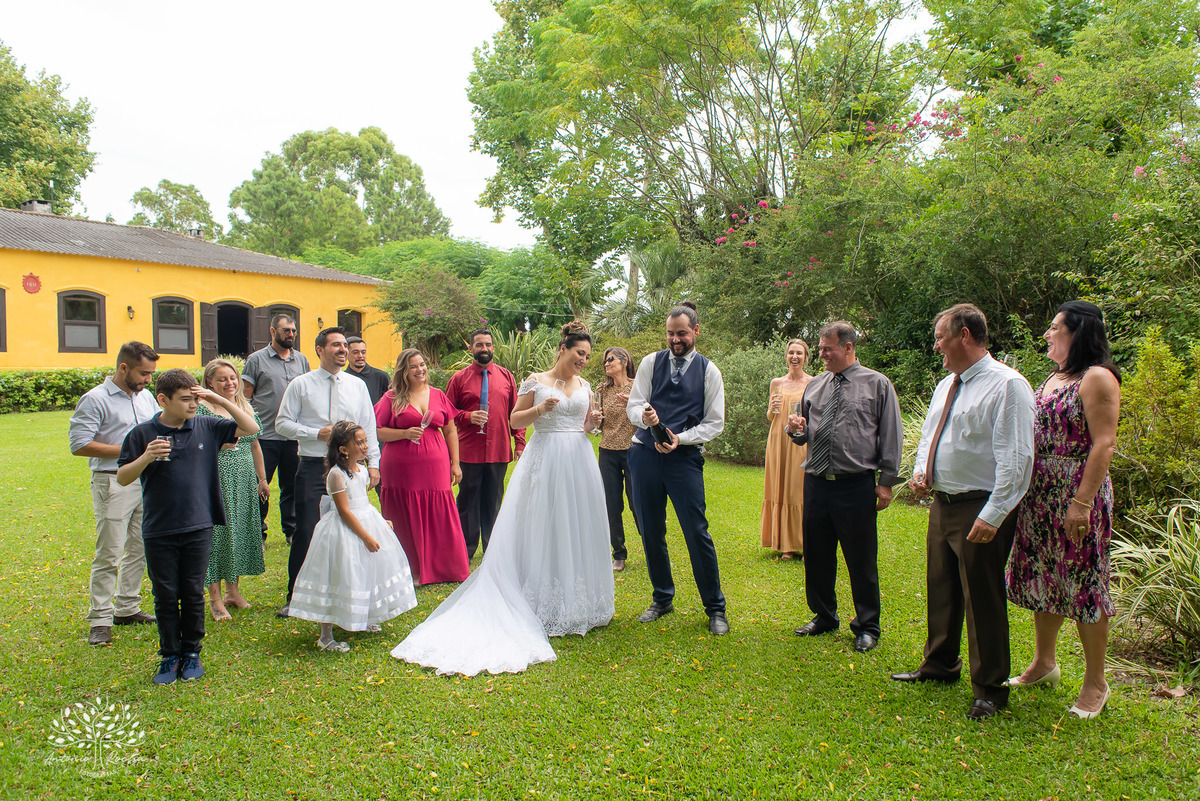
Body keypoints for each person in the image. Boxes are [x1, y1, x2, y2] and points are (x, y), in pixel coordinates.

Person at [391, 321, 614, 676]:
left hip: (578, 460)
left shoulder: (585, 385)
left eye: (587, 356)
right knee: (543, 522)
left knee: (576, 523)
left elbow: (586, 425)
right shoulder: (534, 381)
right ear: (563, 349)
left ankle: (578, 601)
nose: (583, 361)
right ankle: (537, 594)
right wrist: (540, 411)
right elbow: (513, 419)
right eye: (578, 354)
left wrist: (593, 423)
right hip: (546, 458)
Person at [890, 304, 1035, 720]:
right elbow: (932, 435)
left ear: (965, 335)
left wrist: (994, 514)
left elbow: (1017, 458)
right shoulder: (945, 385)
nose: (936, 346)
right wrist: (921, 473)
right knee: (942, 587)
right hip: (944, 501)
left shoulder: (1007, 386)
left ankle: (989, 688)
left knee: (982, 597)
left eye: (941, 338)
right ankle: (939, 665)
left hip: (981, 504)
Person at [1006, 301, 1121, 720]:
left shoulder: (1097, 377)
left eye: (1054, 327)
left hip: (1077, 492)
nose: (1047, 334)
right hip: (1040, 494)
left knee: (1085, 582)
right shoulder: (1054, 378)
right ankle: (1044, 663)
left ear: (1078, 332)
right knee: (1045, 576)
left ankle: (1096, 683)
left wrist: (1081, 503)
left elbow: (1103, 443)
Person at [117, 369, 259, 684]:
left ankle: (192, 653)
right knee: (165, 593)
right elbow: (123, 476)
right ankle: (169, 656)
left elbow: (251, 427)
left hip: (199, 525)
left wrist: (218, 398)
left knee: (193, 592)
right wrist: (146, 458)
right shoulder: (142, 434)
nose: (193, 405)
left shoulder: (207, 426)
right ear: (163, 400)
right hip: (160, 528)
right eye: (186, 400)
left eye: (196, 398)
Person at [787, 322, 902, 653]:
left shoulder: (877, 385)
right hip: (816, 482)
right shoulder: (816, 385)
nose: (821, 354)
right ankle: (824, 616)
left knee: (860, 558)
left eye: (827, 349)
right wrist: (795, 429)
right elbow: (802, 431)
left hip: (855, 485)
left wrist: (885, 483)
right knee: (817, 555)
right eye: (820, 348)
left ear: (848, 348)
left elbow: (891, 435)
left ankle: (867, 625)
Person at [626, 301, 730, 636]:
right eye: (670, 333)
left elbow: (715, 423)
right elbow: (634, 403)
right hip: (644, 456)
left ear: (696, 331)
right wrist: (643, 416)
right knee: (650, 529)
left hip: (683, 460)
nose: (675, 339)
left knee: (696, 531)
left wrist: (680, 438)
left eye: (682, 333)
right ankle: (662, 597)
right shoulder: (649, 362)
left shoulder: (709, 371)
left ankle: (715, 608)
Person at [274, 327, 381, 619]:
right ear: (320, 350)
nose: (343, 350)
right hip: (313, 466)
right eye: (336, 345)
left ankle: (348, 595)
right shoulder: (301, 384)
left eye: (345, 345)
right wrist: (314, 433)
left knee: (350, 532)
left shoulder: (357, 386)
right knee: (307, 530)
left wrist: (373, 464)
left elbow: (368, 426)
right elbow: (281, 423)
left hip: (350, 470)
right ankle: (295, 596)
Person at [288, 421, 418, 651]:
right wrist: (366, 537)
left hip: (366, 518)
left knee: (366, 570)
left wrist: (380, 520)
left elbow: (363, 501)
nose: (365, 446)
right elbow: (344, 511)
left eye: (365, 441)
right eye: (359, 443)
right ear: (343, 449)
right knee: (338, 575)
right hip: (345, 529)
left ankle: (365, 616)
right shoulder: (337, 475)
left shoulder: (362, 470)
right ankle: (325, 636)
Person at [69, 342, 161, 646]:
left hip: (146, 479)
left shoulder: (146, 397)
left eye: (151, 374)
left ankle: (127, 607)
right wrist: (133, 450)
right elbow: (80, 444)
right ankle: (99, 618)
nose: (149, 379)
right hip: (112, 481)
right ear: (124, 368)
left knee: (139, 547)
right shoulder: (95, 399)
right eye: (144, 373)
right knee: (109, 550)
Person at [375, 348, 469, 585]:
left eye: (422, 365)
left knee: (439, 510)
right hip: (400, 466)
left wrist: (455, 464)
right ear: (404, 372)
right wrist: (404, 432)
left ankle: (444, 567)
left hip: (435, 463)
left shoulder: (437, 394)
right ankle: (411, 568)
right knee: (404, 514)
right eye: (414, 366)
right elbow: (376, 430)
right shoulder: (391, 398)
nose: (420, 370)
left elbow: (450, 430)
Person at [196, 358, 268, 620]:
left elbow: (254, 444)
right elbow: (194, 445)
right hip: (216, 478)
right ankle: (214, 598)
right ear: (209, 382)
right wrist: (215, 447)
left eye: (233, 378)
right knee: (218, 534)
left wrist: (261, 478)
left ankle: (233, 590)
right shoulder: (202, 410)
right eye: (222, 379)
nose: (230, 383)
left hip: (244, 477)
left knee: (238, 530)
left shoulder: (243, 406)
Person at [445, 329, 527, 558]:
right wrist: (467, 416)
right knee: (468, 502)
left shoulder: (506, 377)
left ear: (493, 348)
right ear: (470, 348)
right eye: (479, 345)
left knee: (493, 501)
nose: (484, 349)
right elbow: (447, 414)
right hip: (468, 451)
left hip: (498, 450)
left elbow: (516, 412)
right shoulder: (459, 379)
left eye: (488, 345)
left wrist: (519, 442)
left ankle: (493, 549)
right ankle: (466, 550)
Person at [243, 314, 310, 545]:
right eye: (286, 330)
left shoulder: (301, 360)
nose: (290, 334)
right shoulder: (256, 360)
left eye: (293, 331)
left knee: (291, 486)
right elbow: (246, 397)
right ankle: (258, 533)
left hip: (293, 435)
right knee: (260, 485)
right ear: (273, 332)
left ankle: (290, 530)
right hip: (265, 436)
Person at [762, 338, 812, 559]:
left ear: (806, 358)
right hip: (777, 440)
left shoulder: (814, 382)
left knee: (797, 487)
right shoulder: (777, 383)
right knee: (778, 485)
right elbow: (770, 416)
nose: (795, 357)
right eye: (791, 352)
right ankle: (785, 546)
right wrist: (771, 409)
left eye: (799, 353)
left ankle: (803, 541)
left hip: (799, 440)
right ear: (786, 356)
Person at [595, 346, 640, 571]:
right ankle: (619, 554)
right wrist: (595, 419)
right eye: (605, 361)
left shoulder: (639, 387)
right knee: (612, 505)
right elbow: (598, 423)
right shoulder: (602, 390)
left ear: (624, 361)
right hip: (608, 452)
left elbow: (647, 416)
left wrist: (634, 402)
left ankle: (651, 547)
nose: (606, 363)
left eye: (610, 359)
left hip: (634, 451)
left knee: (638, 503)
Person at [344, 336, 391, 406]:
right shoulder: (342, 379)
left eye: (363, 352)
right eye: (355, 352)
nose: (360, 356)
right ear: (346, 354)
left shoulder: (381, 377)